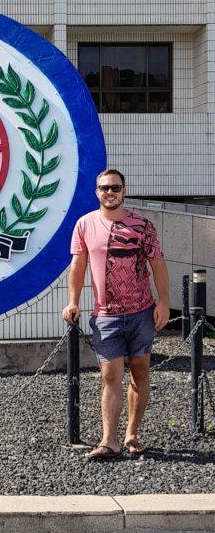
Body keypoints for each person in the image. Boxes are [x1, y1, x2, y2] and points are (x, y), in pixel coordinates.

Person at [62, 169, 170, 460]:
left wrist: (163, 303)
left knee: (140, 371)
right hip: (106, 315)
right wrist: (73, 301)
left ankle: (132, 434)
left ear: (124, 190)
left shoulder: (143, 226)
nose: (110, 193)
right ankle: (109, 440)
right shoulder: (84, 224)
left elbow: (157, 264)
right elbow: (78, 266)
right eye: (104, 188)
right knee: (110, 376)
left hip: (141, 312)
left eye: (115, 188)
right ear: (96, 192)